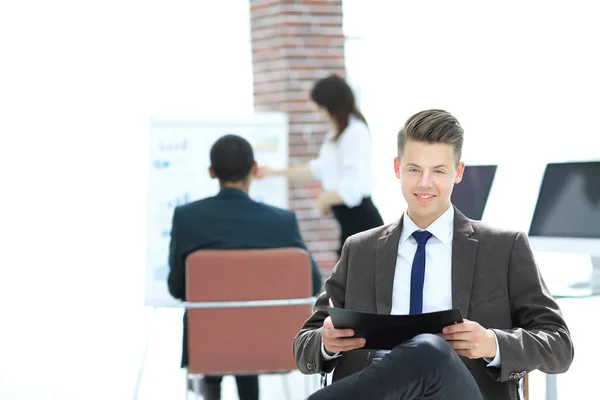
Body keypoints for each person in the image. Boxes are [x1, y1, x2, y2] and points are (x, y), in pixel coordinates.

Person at [293, 110, 574, 400]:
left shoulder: (504, 248)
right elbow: (304, 347)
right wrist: (326, 343)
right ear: (397, 168)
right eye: (414, 169)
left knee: (429, 350)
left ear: (459, 171)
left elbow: (559, 346)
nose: (425, 183)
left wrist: (492, 343)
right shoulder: (360, 249)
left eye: (438, 171)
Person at [167, 134, 323, 400]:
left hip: (208, 344)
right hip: (266, 344)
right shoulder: (281, 221)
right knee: (246, 326)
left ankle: (209, 389)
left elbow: (177, 288)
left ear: (211, 172)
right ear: (253, 169)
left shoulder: (187, 218)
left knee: (219, 324)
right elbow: (313, 283)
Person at [255, 74, 384, 255]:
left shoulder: (356, 133)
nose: (318, 112)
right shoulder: (337, 134)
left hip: (361, 222)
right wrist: (273, 172)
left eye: (320, 107)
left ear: (332, 107)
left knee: (355, 280)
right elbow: (319, 168)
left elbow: (352, 191)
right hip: (350, 221)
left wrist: (324, 200)